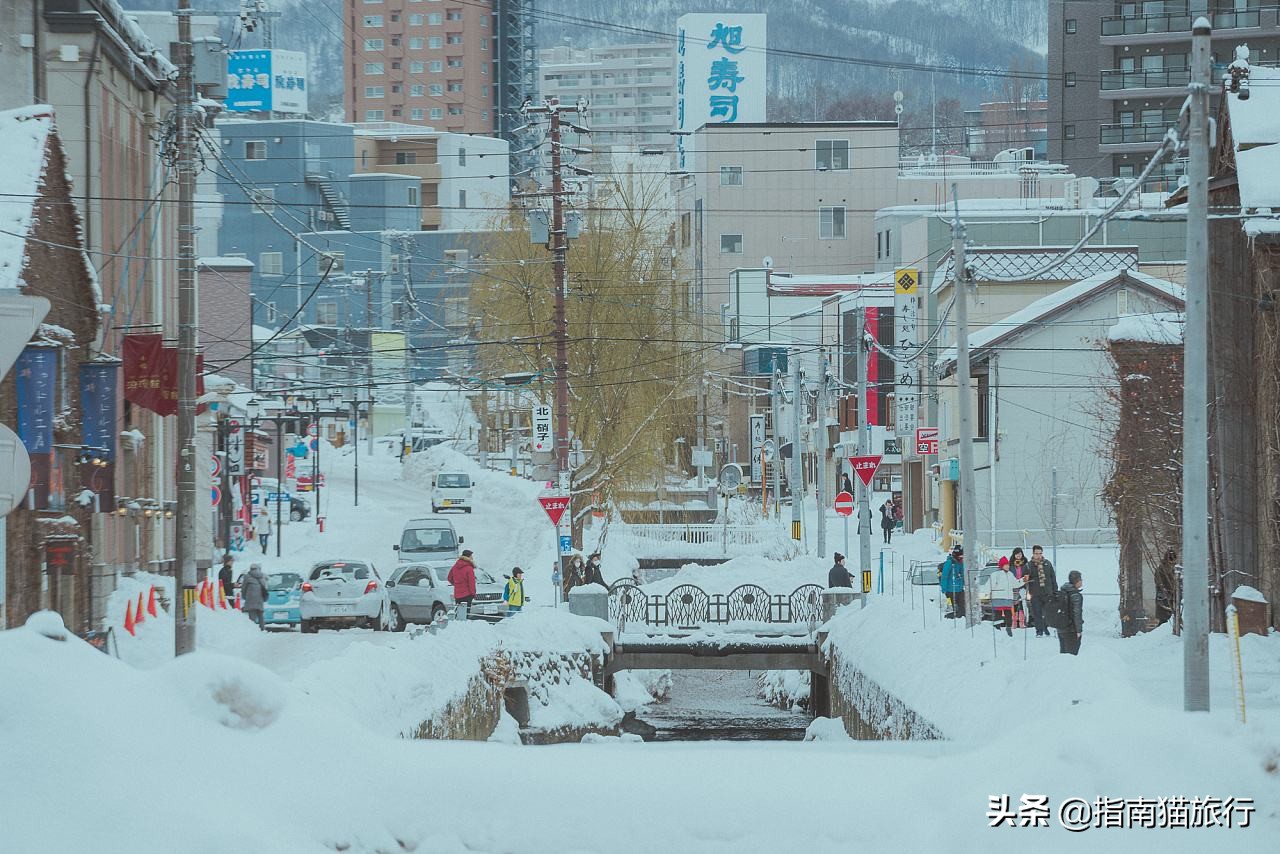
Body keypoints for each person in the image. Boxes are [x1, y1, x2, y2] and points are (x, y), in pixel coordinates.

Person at [1024, 545, 1059, 637]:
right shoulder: (1029, 565)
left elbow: (1052, 578)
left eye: (1040, 553)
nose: (1038, 555)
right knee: (1037, 612)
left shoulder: (1047, 564)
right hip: (1035, 593)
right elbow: (1024, 579)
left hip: (1047, 592)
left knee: (1047, 612)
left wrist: (1055, 591)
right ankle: (1039, 630)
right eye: (1036, 553)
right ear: (1033, 554)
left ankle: (1045, 627)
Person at [987, 556, 1023, 635]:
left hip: (1008, 597)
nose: (1008, 566)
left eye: (1008, 564)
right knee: (998, 614)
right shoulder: (995, 574)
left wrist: (1023, 580)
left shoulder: (1010, 574)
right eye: (1005, 564)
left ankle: (1008, 628)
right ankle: (997, 629)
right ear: (1001, 565)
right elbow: (989, 585)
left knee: (1008, 614)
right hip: (998, 597)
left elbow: (1015, 584)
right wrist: (987, 593)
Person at [1058, 570, 1084, 655]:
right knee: (1072, 656)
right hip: (1071, 630)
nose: (1082, 582)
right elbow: (1077, 613)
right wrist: (1078, 630)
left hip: (1061, 628)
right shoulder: (1076, 596)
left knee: (1063, 655)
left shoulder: (1062, 592)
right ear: (1077, 581)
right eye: (1081, 580)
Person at [447, 549, 477, 616]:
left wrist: (456, 584)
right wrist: (473, 594)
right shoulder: (469, 568)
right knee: (466, 613)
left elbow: (449, 578)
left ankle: (458, 625)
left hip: (457, 594)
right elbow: (471, 583)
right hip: (467, 594)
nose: (472, 557)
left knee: (459, 613)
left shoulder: (455, 567)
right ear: (468, 557)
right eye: (471, 556)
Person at [939, 545, 966, 618]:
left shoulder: (961, 563)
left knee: (963, 609)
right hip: (950, 591)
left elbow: (963, 575)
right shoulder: (949, 563)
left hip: (960, 590)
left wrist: (964, 584)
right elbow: (944, 576)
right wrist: (944, 589)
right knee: (953, 609)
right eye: (960, 556)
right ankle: (950, 621)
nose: (962, 558)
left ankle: (961, 622)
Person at [241, 563, 268, 630]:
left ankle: (252, 630)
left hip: (250, 599)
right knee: (260, 615)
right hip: (260, 599)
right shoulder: (262, 576)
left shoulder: (247, 577)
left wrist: (244, 597)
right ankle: (262, 629)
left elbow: (243, 588)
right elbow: (265, 588)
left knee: (252, 616)